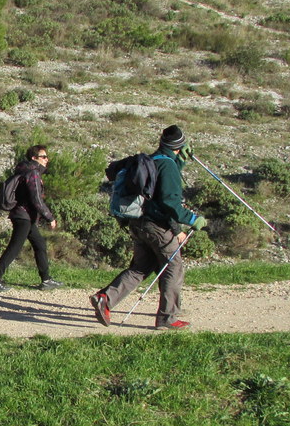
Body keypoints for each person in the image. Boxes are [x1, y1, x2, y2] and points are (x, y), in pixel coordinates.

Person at [89, 125, 208, 331]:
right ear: (179, 147)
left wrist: (179, 162)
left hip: (137, 222)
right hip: (158, 227)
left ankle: (105, 298)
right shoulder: (167, 166)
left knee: (140, 268)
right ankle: (168, 319)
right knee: (173, 268)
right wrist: (192, 219)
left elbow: (158, 183)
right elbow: (170, 202)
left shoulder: (153, 160)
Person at [0, 145, 63, 292]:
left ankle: (46, 279)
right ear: (34, 158)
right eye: (43, 157)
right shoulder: (33, 173)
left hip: (25, 216)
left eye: (46, 157)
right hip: (23, 216)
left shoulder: (28, 172)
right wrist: (49, 217)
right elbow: (36, 199)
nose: (47, 160)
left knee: (39, 244)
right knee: (14, 248)